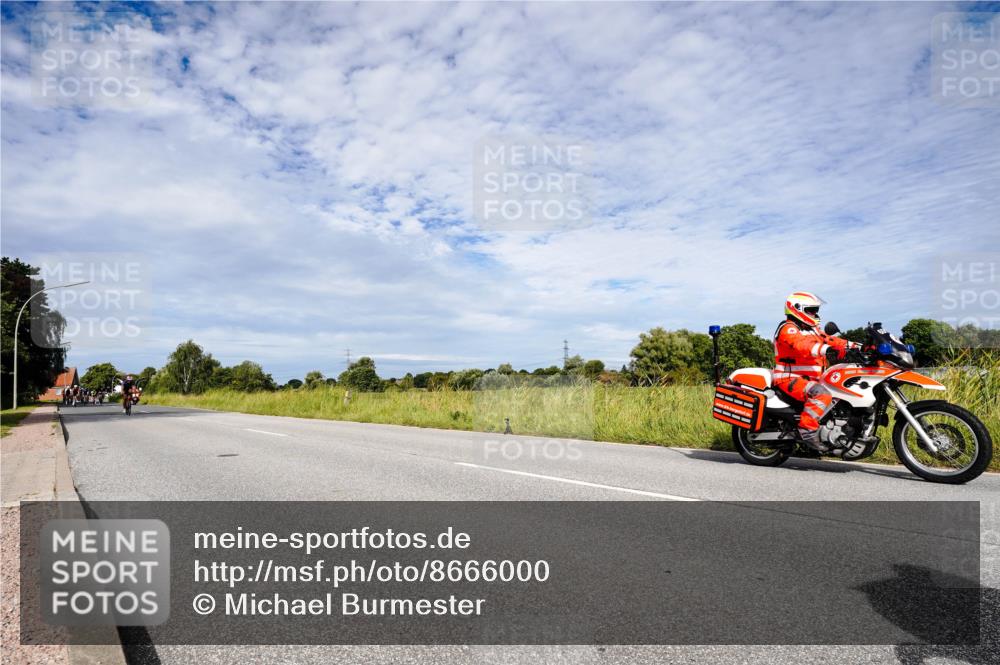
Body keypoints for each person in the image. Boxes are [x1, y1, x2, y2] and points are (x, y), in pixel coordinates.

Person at [772, 292, 859, 452]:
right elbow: (801, 345)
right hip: (789, 378)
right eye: (811, 310)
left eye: (815, 310)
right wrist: (827, 350)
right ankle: (807, 430)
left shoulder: (813, 330)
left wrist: (859, 347)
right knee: (821, 394)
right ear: (797, 309)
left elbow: (833, 340)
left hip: (811, 379)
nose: (815, 314)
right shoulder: (788, 328)